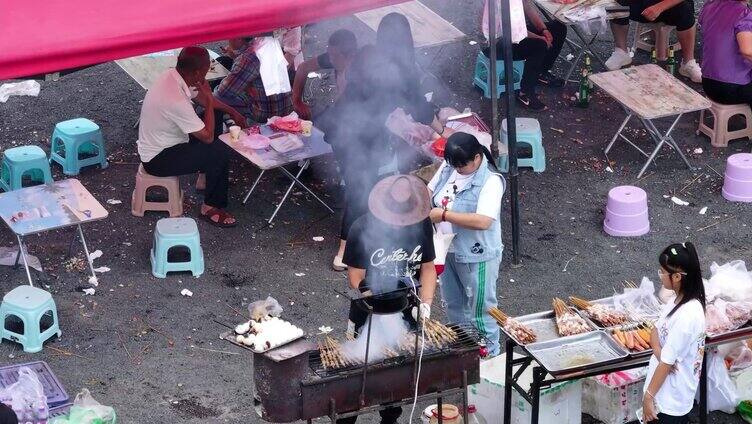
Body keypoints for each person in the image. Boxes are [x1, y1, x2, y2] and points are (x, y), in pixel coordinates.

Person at [340, 174, 437, 424]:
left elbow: (427, 268)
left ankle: (390, 417)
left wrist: (425, 303)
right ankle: (347, 417)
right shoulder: (361, 227)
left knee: (398, 370)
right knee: (356, 370)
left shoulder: (422, 223)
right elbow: (355, 276)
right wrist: (375, 298)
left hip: (408, 306)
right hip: (369, 307)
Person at [137, 46, 242, 227]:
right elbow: (208, 137)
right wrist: (209, 99)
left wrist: (231, 111)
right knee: (220, 150)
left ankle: (204, 178)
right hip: (157, 159)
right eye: (205, 70)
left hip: (168, 142)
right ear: (195, 73)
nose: (206, 74)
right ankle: (210, 207)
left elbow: (199, 98)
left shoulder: (173, 75)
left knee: (215, 115)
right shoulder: (175, 99)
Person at [427, 132, 505, 356]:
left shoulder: (491, 181)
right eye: (455, 165)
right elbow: (430, 190)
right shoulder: (449, 166)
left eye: (463, 165)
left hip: (476, 254)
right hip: (445, 248)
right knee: (453, 303)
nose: (459, 170)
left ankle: (488, 354)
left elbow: (483, 221)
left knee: (481, 308)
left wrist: (443, 215)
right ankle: (463, 351)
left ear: (478, 157)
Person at [642, 242, 706, 423]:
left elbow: (667, 363)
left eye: (663, 272)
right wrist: (661, 353)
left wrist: (648, 397)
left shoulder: (687, 315)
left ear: (677, 276)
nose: (660, 275)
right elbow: (654, 331)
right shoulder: (677, 300)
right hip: (663, 390)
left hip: (670, 401)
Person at [483, 0, 567, 111]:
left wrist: (544, 30)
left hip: (513, 32)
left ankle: (541, 72)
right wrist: (540, 38)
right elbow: (512, 30)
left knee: (559, 28)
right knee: (540, 45)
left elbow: (527, 6)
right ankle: (525, 93)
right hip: (495, 42)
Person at [605, 0, 702, 82]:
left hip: (669, 7)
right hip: (641, 7)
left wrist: (659, 7)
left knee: (686, 7)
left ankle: (688, 62)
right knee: (614, 4)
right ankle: (621, 52)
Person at [214, 37, 294, 123]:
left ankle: (240, 121)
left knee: (215, 97)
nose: (228, 42)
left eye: (229, 38)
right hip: (286, 107)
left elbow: (223, 91)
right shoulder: (267, 44)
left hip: (266, 113)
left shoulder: (247, 57)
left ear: (238, 38)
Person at [292, 29, 358, 119]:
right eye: (329, 54)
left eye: (335, 56)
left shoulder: (360, 77)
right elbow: (303, 68)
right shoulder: (332, 57)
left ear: (350, 56)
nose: (330, 59)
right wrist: (296, 99)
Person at [698, 0, 752, 107]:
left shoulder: (710, 6)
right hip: (731, 88)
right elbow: (747, 51)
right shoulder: (744, 14)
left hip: (708, 84)